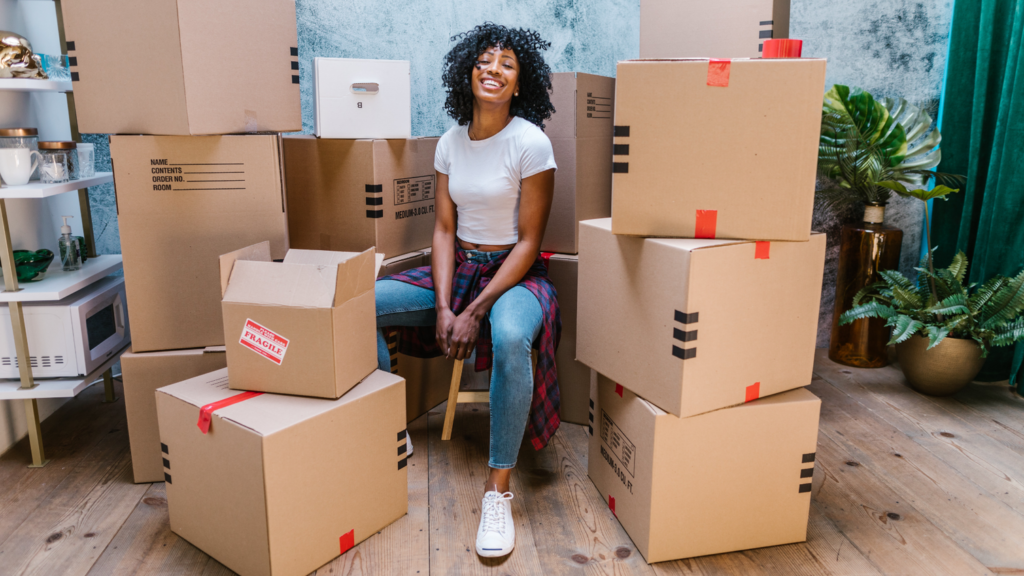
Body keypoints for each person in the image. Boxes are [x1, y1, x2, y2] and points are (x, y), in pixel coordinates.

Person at [375, 22, 561, 558]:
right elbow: (443, 230)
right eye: (485, 60)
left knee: (507, 336)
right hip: (460, 269)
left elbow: (529, 242)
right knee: (359, 305)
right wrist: (443, 305)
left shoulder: (531, 142)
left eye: (507, 64)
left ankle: (497, 492)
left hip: (515, 276)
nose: (494, 69)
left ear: (520, 83)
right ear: (468, 71)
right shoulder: (450, 142)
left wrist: (474, 309)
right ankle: (387, 429)